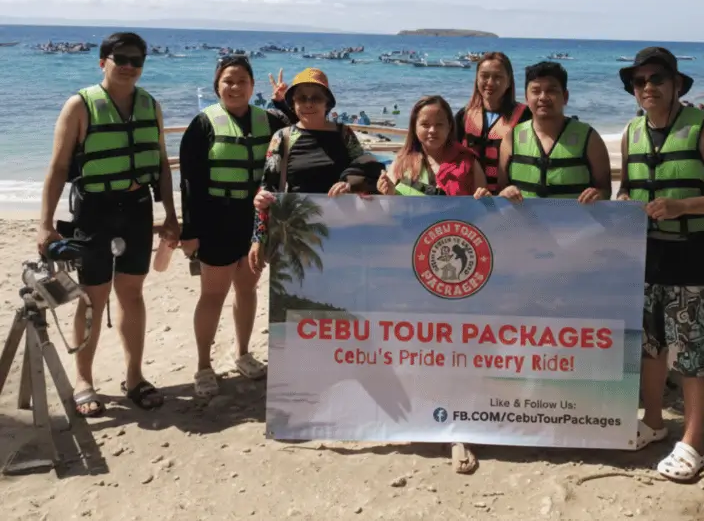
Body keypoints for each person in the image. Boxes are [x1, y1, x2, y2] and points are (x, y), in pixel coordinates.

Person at [617, 47, 704, 482]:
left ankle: (693, 442)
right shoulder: (631, 133)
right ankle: (654, 422)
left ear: (676, 84)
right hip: (646, 258)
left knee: (693, 353)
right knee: (650, 347)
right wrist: (623, 203)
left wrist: (683, 206)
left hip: (694, 256)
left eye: (657, 78)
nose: (648, 87)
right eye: (639, 81)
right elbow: (628, 189)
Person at [37, 31, 180, 416]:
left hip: (136, 207)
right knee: (92, 296)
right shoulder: (79, 105)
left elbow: (161, 164)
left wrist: (170, 213)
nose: (130, 66)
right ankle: (84, 380)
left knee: (132, 293)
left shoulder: (150, 105)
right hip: (95, 210)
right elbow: (58, 167)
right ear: (103, 62)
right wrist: (45, 223)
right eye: (122, 59)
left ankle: (134, 377)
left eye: (137, 60)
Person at [377, 95, 487, 475]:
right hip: (414, 271)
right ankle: (424, 417)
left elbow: (490, 214)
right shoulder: (401, 163)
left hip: (459, 275)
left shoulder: (468, 162)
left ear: (450, 126)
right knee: (420, 349)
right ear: (414, 126)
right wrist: (388, 196)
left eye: (439, 123)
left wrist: (486, 198)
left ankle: (458, 429)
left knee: (458, 350)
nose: (432, 130)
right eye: (424, 124)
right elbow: (389, 220)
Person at [179, 55, 293, 398]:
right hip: (217, 218)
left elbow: (299, 132)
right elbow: (189, 182)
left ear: (252, 86)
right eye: (228, 80)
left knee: (247, 288)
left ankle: (242, 352)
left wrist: (282, 102)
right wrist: (190, 231)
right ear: (217, 85)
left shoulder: (269, 120)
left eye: (242, 81)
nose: (235, 87)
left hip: (257, 219)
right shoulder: (203, 124)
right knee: (213, 294)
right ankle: (203, 365)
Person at [249, 68, 380, 269]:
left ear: (327, 103)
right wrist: (258, 239)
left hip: (343, 231)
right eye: (301, 98)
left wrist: (349, 184)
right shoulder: (283, 137)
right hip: (295, 235)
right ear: (293, 103)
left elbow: (368, 169)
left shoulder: (343, 134)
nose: (308, 103)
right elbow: (267, 189)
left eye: (316, 98)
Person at [495, 61, 611, 203]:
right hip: (525, 217)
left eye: (551, 90)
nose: (543, 97)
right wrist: (505, 192)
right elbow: (501, 189)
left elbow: (605, 190)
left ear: (565, 97)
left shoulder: (589, 139)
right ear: (526, 98)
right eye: (536, 91)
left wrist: (598, 194)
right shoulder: (511, 139)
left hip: (574, 217)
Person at [454, 52, 530, 193]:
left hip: (507, 197)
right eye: (484, 76)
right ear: (477, 79)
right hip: (469, 197)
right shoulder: (463, 116)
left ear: (509, 81)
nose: (490, 83)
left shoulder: (525, 117)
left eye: (498, 77)